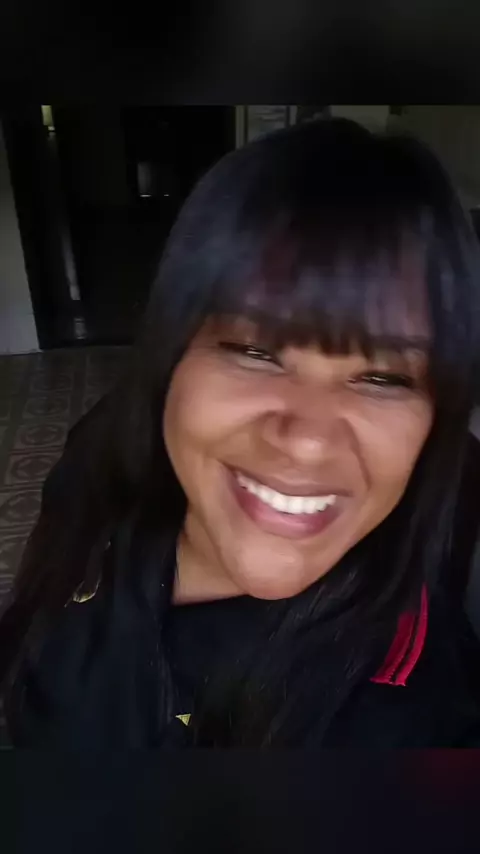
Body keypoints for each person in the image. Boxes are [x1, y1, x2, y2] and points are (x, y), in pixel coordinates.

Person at [1, 117, 480, 748]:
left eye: (384, 378)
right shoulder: (96, 461)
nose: (307, 439)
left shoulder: (409, 717)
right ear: (171, 353)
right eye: (254, 351)